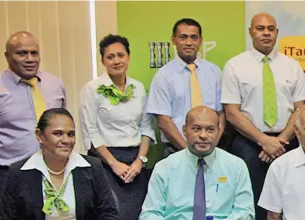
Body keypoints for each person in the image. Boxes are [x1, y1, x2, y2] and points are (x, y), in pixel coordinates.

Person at [0, 31, 66, 219]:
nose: (29, 59)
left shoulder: (55, 85)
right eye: (21, 53)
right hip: (5, 179)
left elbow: (63, 127)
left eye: (34, 53)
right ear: (7, 56)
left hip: (49, 177)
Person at [221, 12, 305, 220]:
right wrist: (263, 140)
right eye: (260, 29)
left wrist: (279, 141)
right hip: (249, 144)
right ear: (250, 32)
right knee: (252, 201)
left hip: (287, 141)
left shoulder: (292, 66)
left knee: (290, 200)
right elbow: (231, 112)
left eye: (270, 29)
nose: (266, 33)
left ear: (277, 33)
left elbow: (299, 109)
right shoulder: (234, 65)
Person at [79, 34, 154, 219]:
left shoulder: (138, 87)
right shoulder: (92, 88)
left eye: (121, 55)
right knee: (114, 213)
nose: (116, 61)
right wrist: (114, 164)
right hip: (105, 162)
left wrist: (140, 161)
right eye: (110, 57)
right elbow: (90, 132)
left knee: (139, 213)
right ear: (103, 61)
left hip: (136, 162)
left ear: (128, 57)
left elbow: (146, 128)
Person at [0, 108, 118, 220]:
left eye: (71, 134)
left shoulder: (92, 167)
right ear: (40, 136)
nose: (66, 140)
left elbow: (109, 214)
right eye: (58, 134)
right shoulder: (19, 172)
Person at [140, 106, 254, 219]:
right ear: (184, 130)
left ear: (218, 131)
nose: (203, 135)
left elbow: (245, 212)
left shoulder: (236, 166)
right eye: (196, 129)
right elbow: (149, 214)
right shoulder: (165, 167)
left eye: (210, 129)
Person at [146, 18, 225, 157]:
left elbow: (221, 114)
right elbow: (164, 121)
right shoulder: (163, 76)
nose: (189, 42)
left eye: (193, 37)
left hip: (212, 150)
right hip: (176, 150)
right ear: (174, 40)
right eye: (183, 37)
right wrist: (189, 152)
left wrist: (211, 146)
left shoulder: (214, 72)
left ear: (200, 40)